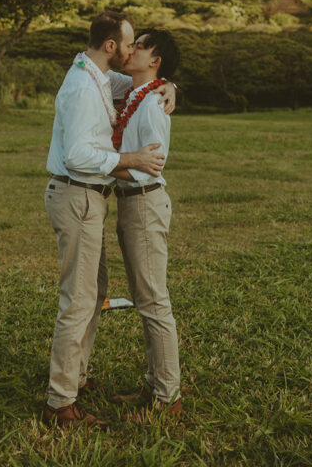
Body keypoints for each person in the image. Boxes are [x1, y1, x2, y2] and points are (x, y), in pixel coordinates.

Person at [43, 10, 176, 428]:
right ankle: (62, 401)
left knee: (100, 292)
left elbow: (147, 85)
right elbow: (77, 156)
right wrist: (130, 159)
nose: (133, 48)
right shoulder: (85, 86)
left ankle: (80, 379)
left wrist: (171, 85)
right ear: (111, 46)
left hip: (105, 199)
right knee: (81, 299)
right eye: (129, 42)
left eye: (141, 44)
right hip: (79, 195)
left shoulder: (101, 77)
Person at [112, 28, 182, 418]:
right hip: (130, 205)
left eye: (140, 45)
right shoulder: (135, 94)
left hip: (144, 204)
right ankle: (156, 385)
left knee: (154, 301)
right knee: (145, 299)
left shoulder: (154, 103)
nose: (131, 48)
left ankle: (166, 396)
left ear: (154, 61)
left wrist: (100, 167)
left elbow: (151, 166)